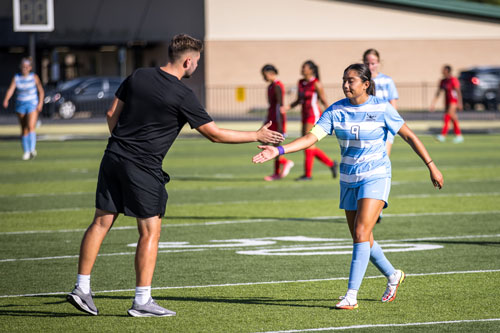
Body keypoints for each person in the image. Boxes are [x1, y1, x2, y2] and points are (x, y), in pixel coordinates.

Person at [66, 34, 284, 318]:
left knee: (101, 221)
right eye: (198, 62)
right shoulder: (183, 94)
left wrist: (123, 145)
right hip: (143, 167)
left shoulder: (138, 75)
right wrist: (255, 135)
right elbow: (214, 135)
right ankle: (142, 300)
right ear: (189, 60)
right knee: (150, 232)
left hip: (113, 157)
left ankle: (81, 288)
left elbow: (111, 113)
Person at [253, 63, 443, 310]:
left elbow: (409, 136)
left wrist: (431, 165)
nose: (345, 85)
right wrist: (278, 150)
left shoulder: (382, 108)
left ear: (365, 84)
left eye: (351, 80)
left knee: (362, 233)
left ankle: (351, 295)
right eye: (344, 80)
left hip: (376, 176)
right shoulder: (335, 111)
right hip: (348, 179)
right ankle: (393, 275)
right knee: (361, 236)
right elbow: (311, 138)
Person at [281, 60, 337, 181]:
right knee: (307, 144)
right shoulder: (300, 82)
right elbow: (298, 100)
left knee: (308, 143)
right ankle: (331, 164)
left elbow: (323, 100)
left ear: (311, 70)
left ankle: (308, 175)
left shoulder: (316, 83)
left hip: (313, 114)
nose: (302, 69)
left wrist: (332, 116)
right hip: (305, 115)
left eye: (304, 67)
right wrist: (288, 107)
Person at [2, 57, 44, 160]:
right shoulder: (16, 77)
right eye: (23, 67)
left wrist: (40, 103)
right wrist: (6, 99)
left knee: (31, 126)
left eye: (26, 67)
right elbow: (11, 89)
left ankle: (32, 149)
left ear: (30, 68)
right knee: (24, 128)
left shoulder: (34, 77)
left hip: (32, 104)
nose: (24, 69)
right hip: (20, 104)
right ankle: (26, 152)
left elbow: (41, 91)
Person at [261, 64, 294, 181]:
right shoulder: (270, 86)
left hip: (277, 119)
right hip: (271, 118)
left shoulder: (277, 86)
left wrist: (280, 125)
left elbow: (279, 106)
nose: (263, 77)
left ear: (271, 73)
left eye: (264, 75)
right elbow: (271, 106)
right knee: (266, 143)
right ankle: (284, 163)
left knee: (275, 145)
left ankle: (277, 171)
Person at [363, 49, 398, 156]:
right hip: (366, 126)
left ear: (378, 63)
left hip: (384, 125)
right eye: (367, 63)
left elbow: (393, 105)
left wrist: (392, 124)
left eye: (373, 63)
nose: (370, 66)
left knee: (383, 158)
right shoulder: (360, 81)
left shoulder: (387, 81)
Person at [430, 65, 464, 143]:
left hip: (453, 101)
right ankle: (459, 136)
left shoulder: (453, 80)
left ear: (448, 71)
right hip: (447, 101)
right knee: (453, 118)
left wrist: (460, 103)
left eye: (444, 70)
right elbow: (438, 92)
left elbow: (458, 92)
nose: (442, 72)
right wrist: (433, 103)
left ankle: (443, 135)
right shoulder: (443, 81)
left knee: (447, 116)